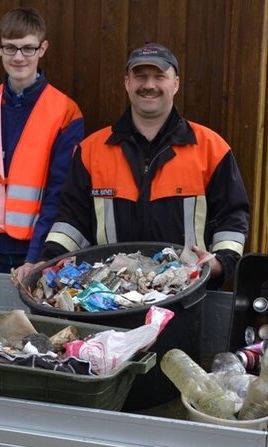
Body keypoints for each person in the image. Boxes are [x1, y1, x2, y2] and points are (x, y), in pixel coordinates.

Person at [40, 42, 249, 288]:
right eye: (140, 76)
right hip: (108, 296)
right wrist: (46, 262)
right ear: (127, 83)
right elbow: (71, 222)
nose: (149, 85)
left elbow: (232, 218)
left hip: (186, 295)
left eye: (159, 76)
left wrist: (221, 263)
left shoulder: (211, 148)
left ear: (176, 84)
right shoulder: (91, 151)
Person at [0, 7, 84, 283]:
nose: (19, 57)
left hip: (36, 256)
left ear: (43, 48)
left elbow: (59, 193)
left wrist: (36, 258)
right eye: (11, 48)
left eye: (28, 48)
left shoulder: (65, 112)